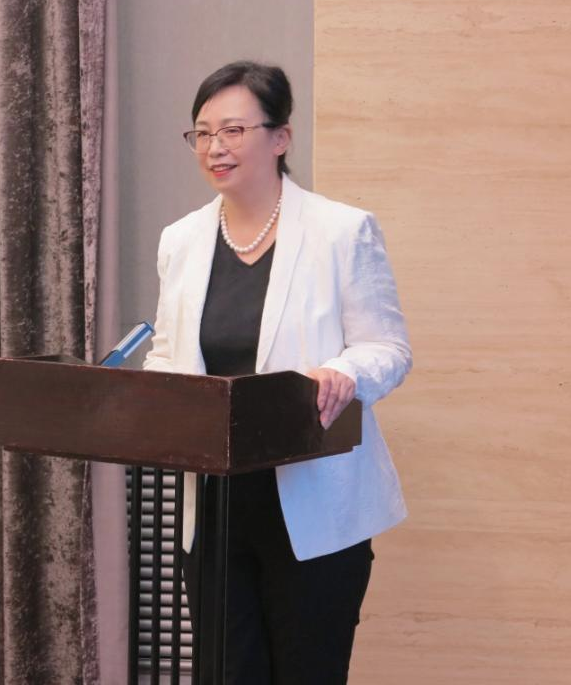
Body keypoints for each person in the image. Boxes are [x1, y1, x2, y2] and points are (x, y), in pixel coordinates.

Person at [142, 61, 412, 684]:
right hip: (215, 508)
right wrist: (142, 395)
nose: (215, 147)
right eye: (203, 132)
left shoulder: (341, 231)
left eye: (233, 130)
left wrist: (344, 373)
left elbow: (388, 348)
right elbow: (168, 355)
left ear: (280, 137)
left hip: (314, 503)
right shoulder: (180, 241)